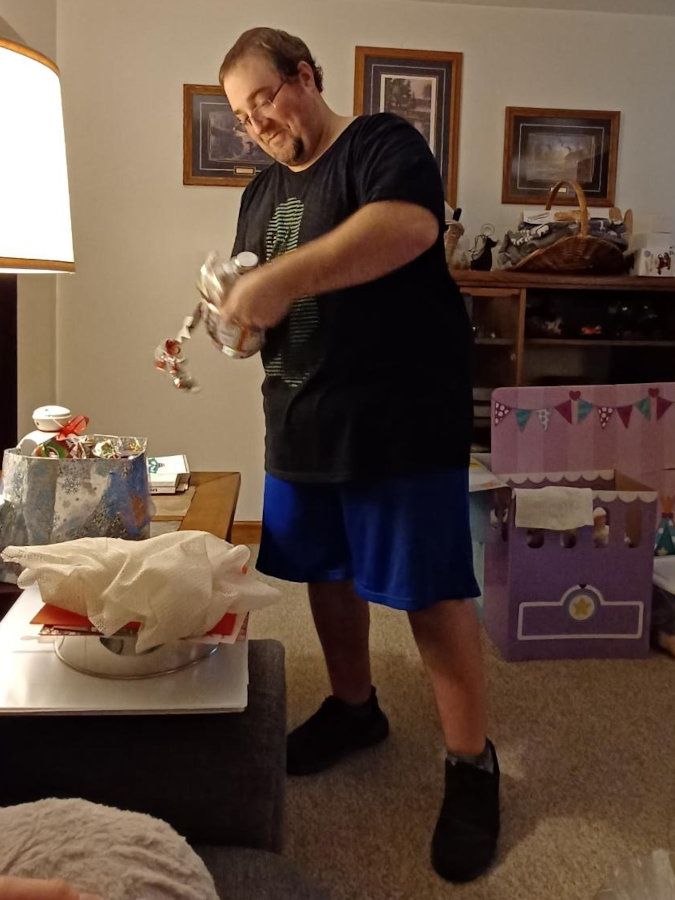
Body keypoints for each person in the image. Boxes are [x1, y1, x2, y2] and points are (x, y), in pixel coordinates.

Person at [218, 27, 500, 883]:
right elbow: (261, 300)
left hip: (399, 420)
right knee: (324, 572)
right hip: (300, 421)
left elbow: (406, 228)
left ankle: (470, 762)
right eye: (241, 117)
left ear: (304, 76)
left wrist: (278, 281)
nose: (256, 125)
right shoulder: (259, 193)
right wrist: (237, 321)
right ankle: (354, 708)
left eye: (263, 101)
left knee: (430, 592)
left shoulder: (381, 143)